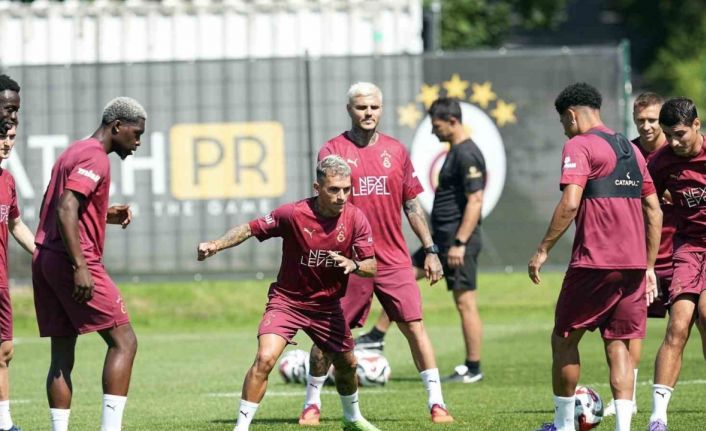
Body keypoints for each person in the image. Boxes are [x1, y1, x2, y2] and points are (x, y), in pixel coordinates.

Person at [299, 82, 453, 426]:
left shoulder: (396, 151)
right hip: (349, 262)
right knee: (327, 336)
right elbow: (325, 206)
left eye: (374, 107)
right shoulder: (333, 150)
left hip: (393, 260)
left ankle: (437, 403)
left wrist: (430, 250)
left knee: (415, 327)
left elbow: (411, 205)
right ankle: (311, 404)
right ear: (349, 110)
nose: (368, 113)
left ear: (381, 109)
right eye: (361, 107)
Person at [198, 155, 381, 431]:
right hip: (287, 303)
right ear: (317, 188)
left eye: (346, 189)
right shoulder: (293, 214)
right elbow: (250, 228)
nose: (342, 196)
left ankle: (352, 418)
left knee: (348, 365)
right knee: (265, 358)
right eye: (334, 189)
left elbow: (371, 265)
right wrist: (215, 244)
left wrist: (354, 264)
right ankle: (241, 428)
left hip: (327, 307)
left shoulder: (356, 218)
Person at [527, 82, 662, 431]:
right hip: (634, 265)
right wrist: (648, 265)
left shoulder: (579, 145)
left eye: (563, 122)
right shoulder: (630, 149)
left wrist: (543, 249)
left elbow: (570, 203)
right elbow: (654, 209)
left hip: (594, 261)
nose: (564, 129)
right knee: (618, 344)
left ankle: (563, 425)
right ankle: (623, 428)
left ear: (572, 115)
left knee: (564, 338)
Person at [32, 97, 146, 431]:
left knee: (61, 354)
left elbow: (60, 206)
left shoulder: (73, 151)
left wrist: (104, 214)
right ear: (117, 126)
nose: (138, 142)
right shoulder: (96, 157)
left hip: (46, 257)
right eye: (136, 133)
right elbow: (66, 208)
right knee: (124, 341)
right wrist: (80, 266)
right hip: (72, 260)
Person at [409, 97, 486, 383]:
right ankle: (377, 336)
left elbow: (475, 200)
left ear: (452, 121)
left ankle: (473, 368)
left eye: (437, 126)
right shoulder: (455, 151)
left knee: (465, 303)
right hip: (440, 241)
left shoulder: (468, 154)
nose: (433, 131)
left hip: (456, 243)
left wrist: (460, 243)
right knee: (401, 278)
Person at [645, 97, 706, 431]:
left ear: (697, 124)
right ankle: (658, 417)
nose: (674, 142)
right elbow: (646, 203)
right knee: (678, 324)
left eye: (680, 134)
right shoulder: (661, 162)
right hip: (689, 247)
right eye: (668, 135)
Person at [0, 123, 36, 431]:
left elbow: (15, 225)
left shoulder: (8, 180)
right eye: (2, 136)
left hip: (0, 280)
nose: (7, 142)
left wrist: (43, 253)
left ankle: (4, 423)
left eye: (11, 137)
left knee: (5, 351)